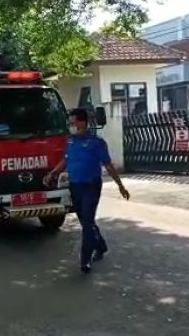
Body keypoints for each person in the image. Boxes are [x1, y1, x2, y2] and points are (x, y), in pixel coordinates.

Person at [43, 108, 130, 274]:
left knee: (88, 221)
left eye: (73, 122)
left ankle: (85, 259)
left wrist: (120, 185)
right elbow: (66, 161)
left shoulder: (96, 143)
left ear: (83, 122)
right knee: (85, 221)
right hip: (75, 186)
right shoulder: (70, 142)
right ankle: (101, 245)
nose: (71, 125)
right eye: (70, 123)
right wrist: (53, 173)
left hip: (91, 185)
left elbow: (108, 165)